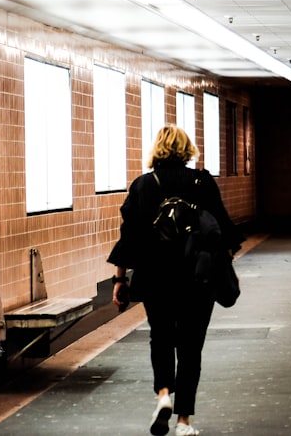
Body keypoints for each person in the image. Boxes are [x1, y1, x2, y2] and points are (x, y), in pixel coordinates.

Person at [108, 126, 243, 436]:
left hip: (155, 276)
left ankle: (163, 395)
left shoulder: (142, 185)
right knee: (191, 346)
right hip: (198, 276)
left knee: (162, 338)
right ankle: (184, 421)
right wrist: (228, 267)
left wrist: (119, 279)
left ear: (156, 149)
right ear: (186, 149)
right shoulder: (202, 181)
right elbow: (221, 228)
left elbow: (128, 236)